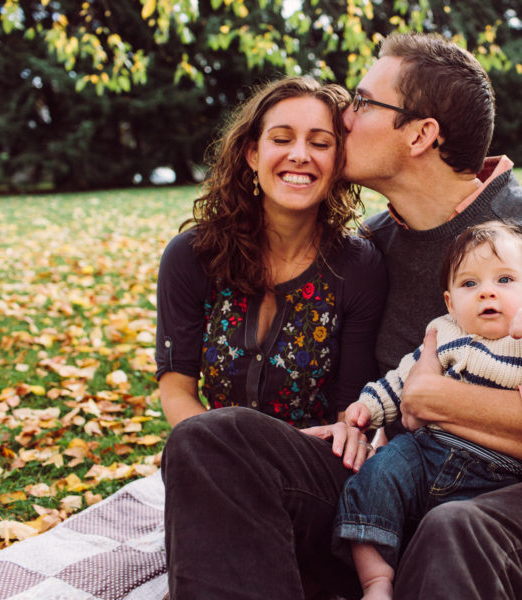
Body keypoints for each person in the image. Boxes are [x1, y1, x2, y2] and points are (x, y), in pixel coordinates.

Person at [161, 33, 522, 600]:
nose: (344, 117)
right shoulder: (370, 249)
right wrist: (348, 426)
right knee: (211, 441)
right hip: (397, 490)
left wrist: (445, 402)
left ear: (421, 133)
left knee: (453, 530)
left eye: (363, 101)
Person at [155, 77, 388, 596]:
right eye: (281, 138)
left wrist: (321, 434)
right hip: (215, 461)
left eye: (320, 142)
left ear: (338, 162)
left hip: (316, 473)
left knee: (202, 449)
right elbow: (175, 389)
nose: (299, 155)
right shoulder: (191, 257)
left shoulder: (358, 266)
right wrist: (233, 448)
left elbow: (348, 410)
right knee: (196, 442)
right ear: (249, 154)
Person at [335, 221, 522, 599]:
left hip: (503, 470)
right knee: (375, 477)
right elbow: (403, 382)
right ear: (450, 302)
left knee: (465, 527)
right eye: (469, 284)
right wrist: (366, 408)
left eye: (505, 280)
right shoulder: (445, 333)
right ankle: (376, 581)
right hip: (426, 450)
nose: (487, 293)